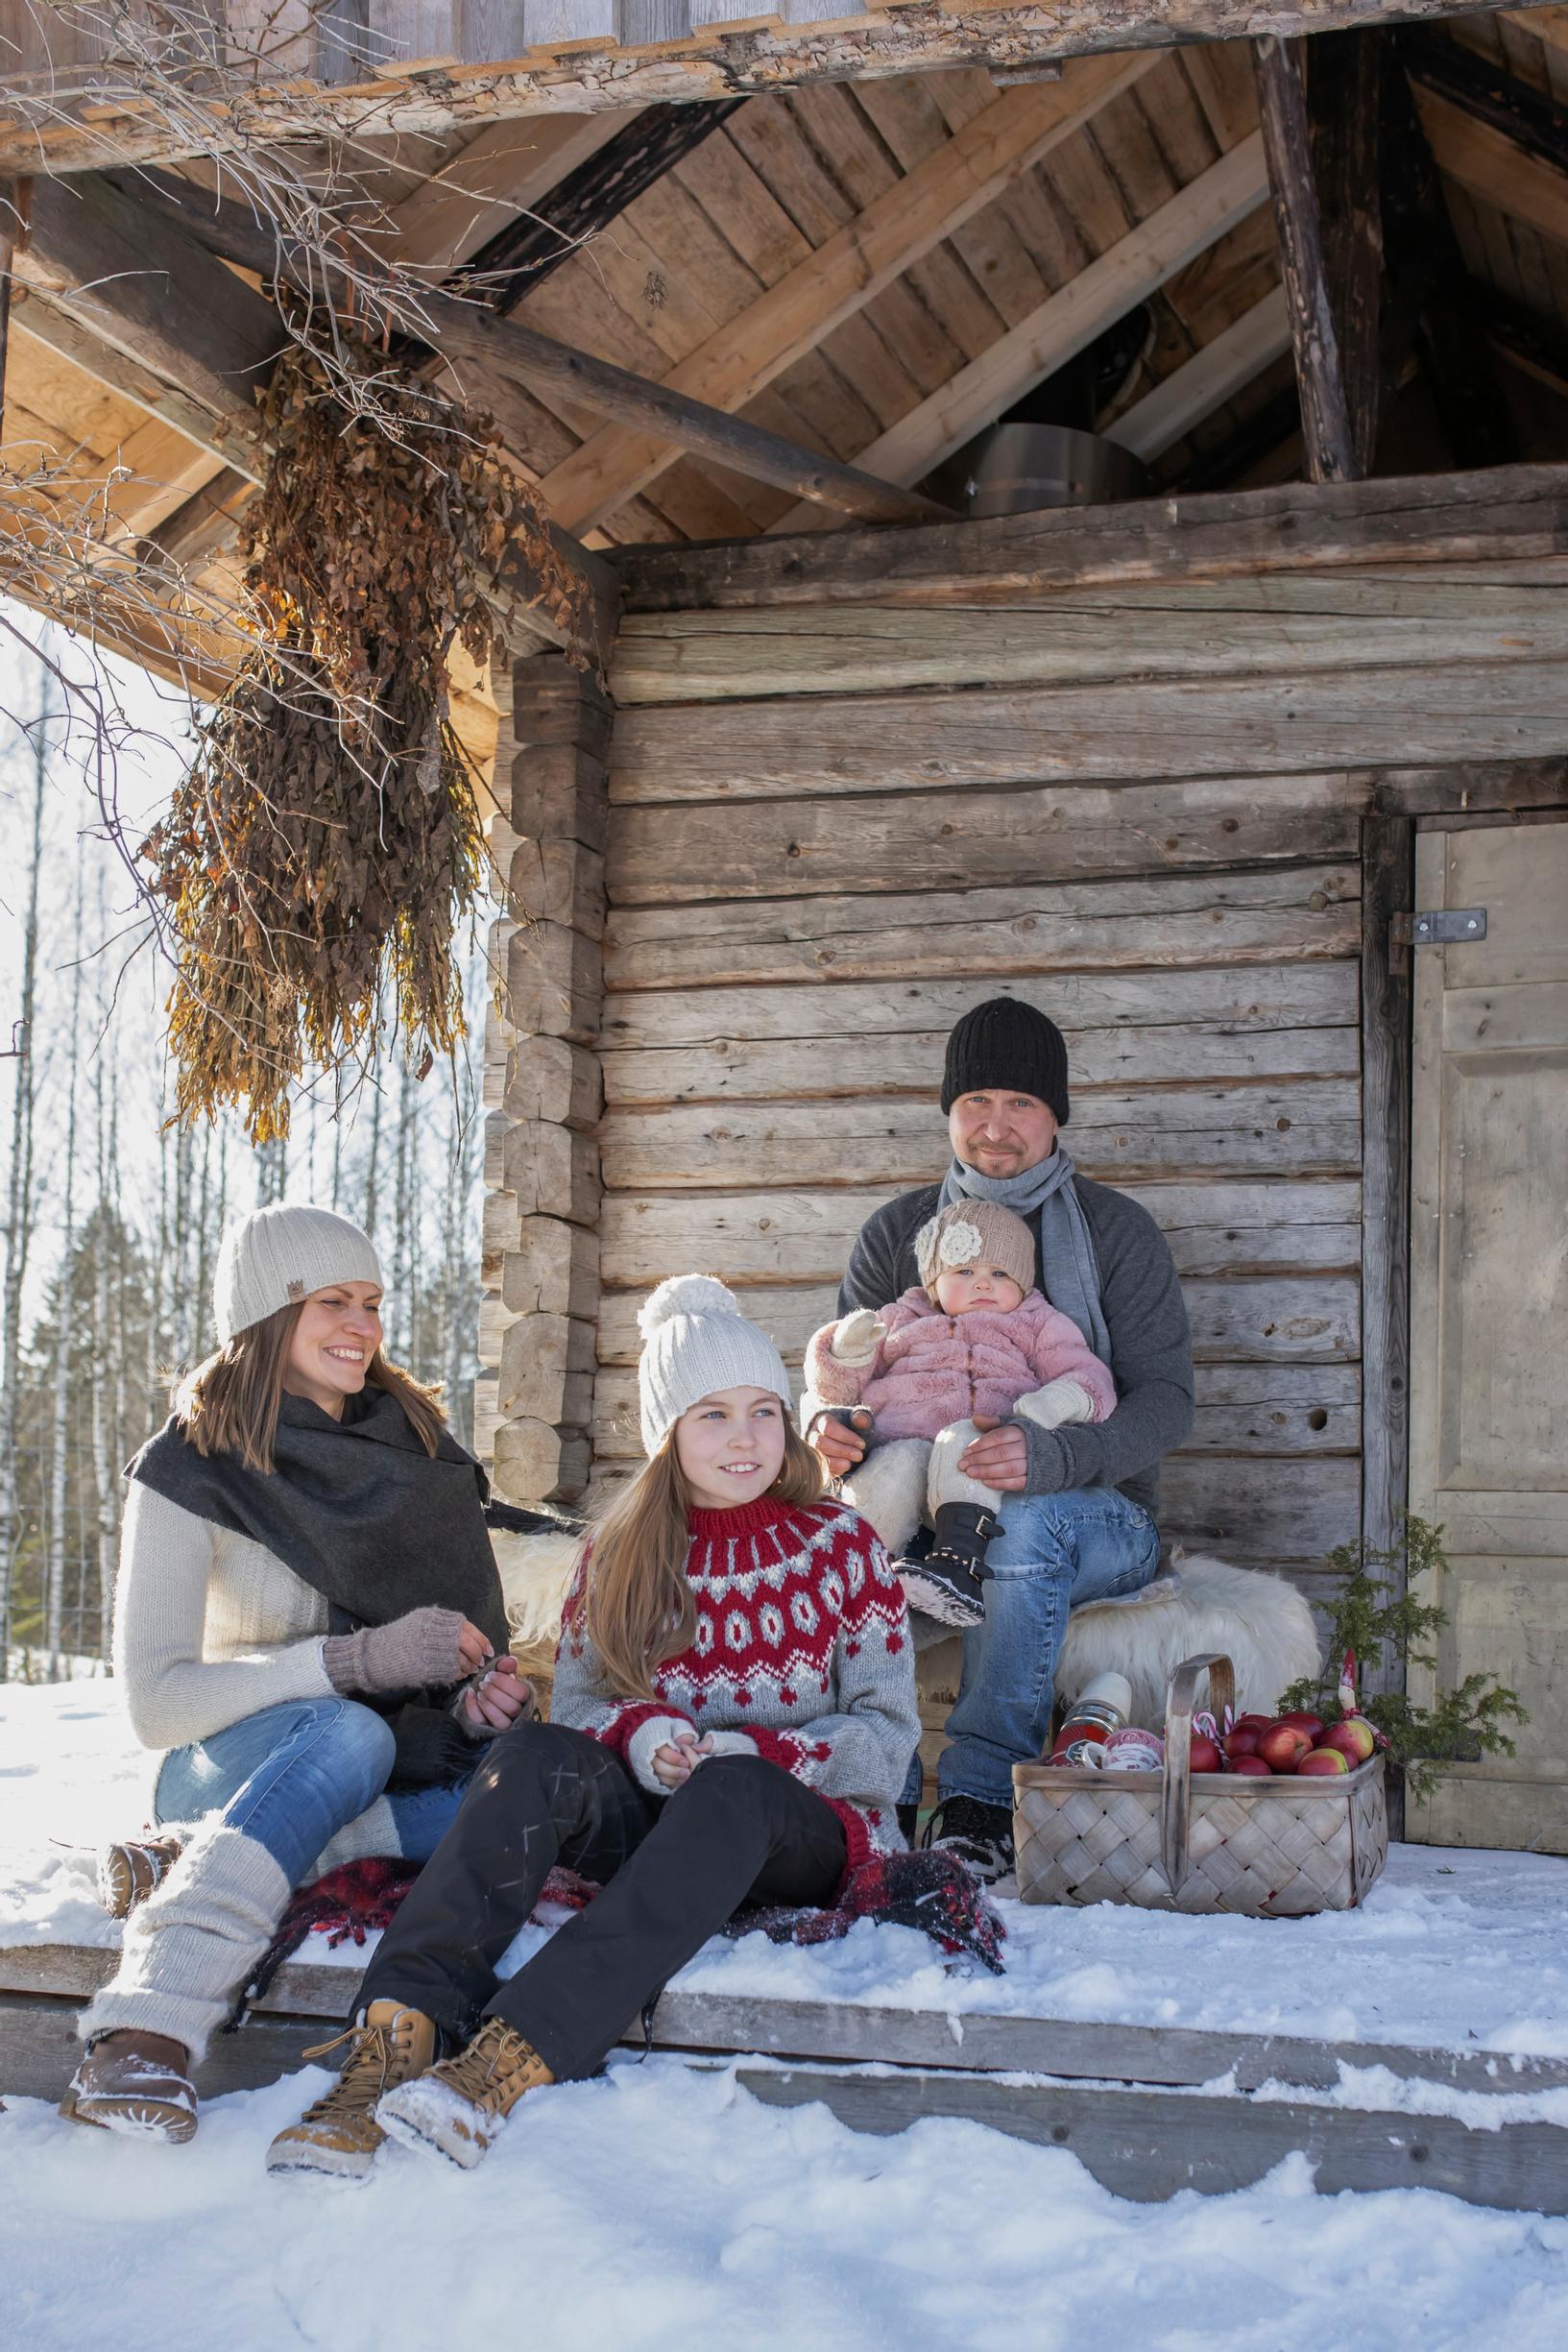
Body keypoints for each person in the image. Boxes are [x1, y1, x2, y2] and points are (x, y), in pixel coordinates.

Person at [266, 1273, 919, 2179]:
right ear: (666, 1435)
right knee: (533, 1750)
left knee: (733, 1786)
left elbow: (887, 1745)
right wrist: (646, 1733)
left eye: (764, 1411)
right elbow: (578, 1706)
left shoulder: (843, 1547)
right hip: (663, 1818)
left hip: (803, 1832)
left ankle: (507, 2059)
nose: (745, 1438)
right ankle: (396, 2034)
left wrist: (752, 1750)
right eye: (712, 1415)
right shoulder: (618, 1556)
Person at [62, 1202, 531, 2145]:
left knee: (510, 1804)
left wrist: (474, 1705)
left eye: (371, 1302)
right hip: (223, 1757)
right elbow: (155, 1704)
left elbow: (450, 1652)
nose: (361, 1326)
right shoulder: (189, 1469)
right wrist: (351, 1662)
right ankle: (143, 2025)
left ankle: (194, 1858)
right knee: (347, 1725)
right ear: (267, 1318)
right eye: (331, 1303)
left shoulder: (419, 1453)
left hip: (393, 1760)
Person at [807, 997, 1194, 1884]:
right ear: (947, 1111)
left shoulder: (1115, 1233)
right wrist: (831, 1432)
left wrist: (1052, 1457)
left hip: (1097, 1514)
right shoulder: (894, 1234)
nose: (994, 1126)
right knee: (857, 1531)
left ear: (1055, 1114)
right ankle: (879, 1794)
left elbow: (1166, 1400)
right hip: (922, 1491)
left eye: (1019, 1102)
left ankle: (978, 1802)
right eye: (975, 1100)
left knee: (1018, 1521)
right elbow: (843, 1375)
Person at [806, 1198, 1116, 1628]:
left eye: (1000, 1274)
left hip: (979, 1476)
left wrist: (1052, 1404)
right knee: (898, 1464)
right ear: (934, 1281)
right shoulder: (899, 1319)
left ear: (1023, 1284)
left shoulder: (1038, 1322)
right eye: (965, 1272)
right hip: (902, 1450)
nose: (983, 1284)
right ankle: (844, 1577)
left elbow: (1088, 1376)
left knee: (965, 1437)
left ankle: (957, 1568)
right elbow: (837, 1390)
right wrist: (846, 1351)